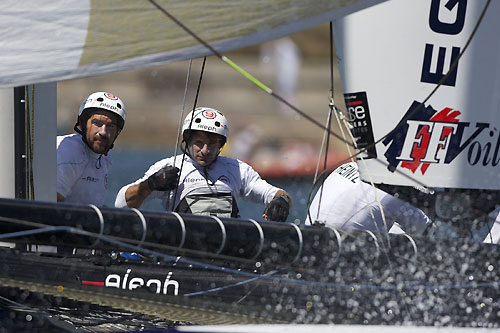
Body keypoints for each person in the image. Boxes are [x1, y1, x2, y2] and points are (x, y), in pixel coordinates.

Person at [115, 107, 291, 221]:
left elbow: (278, 194)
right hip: (185, 253)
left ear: (221, 145)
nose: (205, 150)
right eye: (199, 143)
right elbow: (121, 203)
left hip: (229, 251)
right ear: (187, 140)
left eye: (212, 144)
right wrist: (150, 185)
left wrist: (280, 201)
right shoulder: (168, 166)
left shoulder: (237, 169)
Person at [305, 162, 433, 235]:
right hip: (344, 256)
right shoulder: (393, 192)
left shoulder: (346, 165)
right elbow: (427, 231)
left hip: (309, 240)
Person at [57, 91, 126, 206]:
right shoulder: (69, 153)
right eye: (97, 123)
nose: (103, 132)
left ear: (117, 132)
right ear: (83, 124)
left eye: (110, 126)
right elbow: (51, 205)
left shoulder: (105, 159)